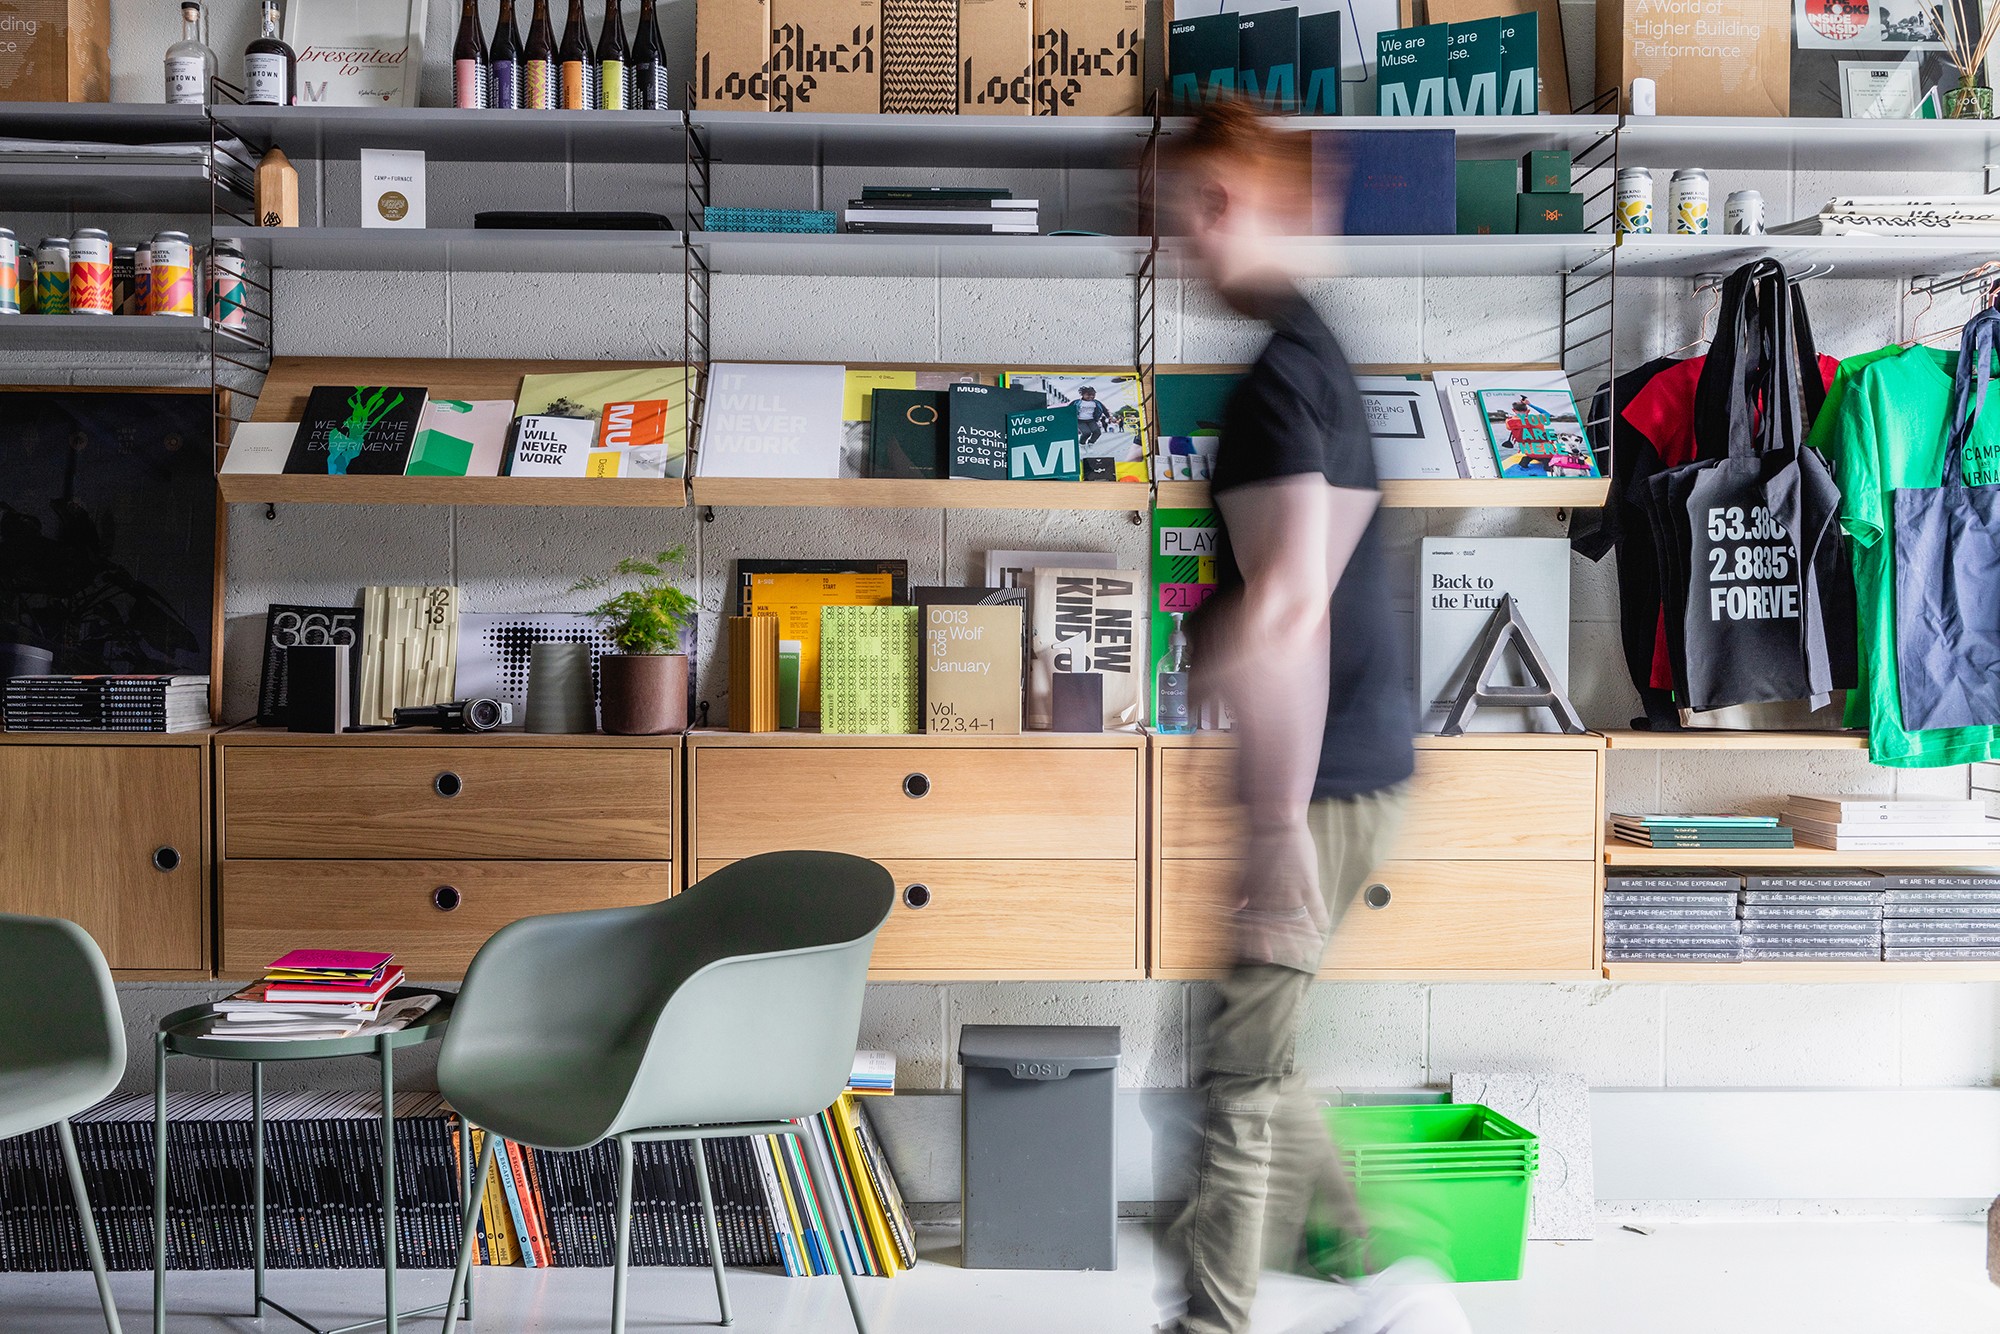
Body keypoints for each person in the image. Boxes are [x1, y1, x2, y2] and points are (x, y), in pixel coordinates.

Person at [1160, 101, 1466, 1334]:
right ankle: (1388, 1278)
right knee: (1260, 1047)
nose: (1176, 241)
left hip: (1320, 779)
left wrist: (1275, 817)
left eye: (1183, 213)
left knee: (1239, 1070)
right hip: (1348, 764)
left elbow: (1290, 605)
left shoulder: (1279, 380)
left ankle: (1219, 1319)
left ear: (1226, 204)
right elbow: (1299, 585)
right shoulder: (1315, 352)